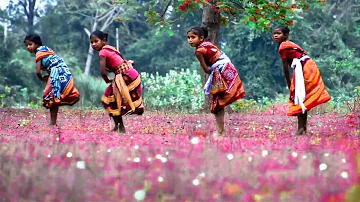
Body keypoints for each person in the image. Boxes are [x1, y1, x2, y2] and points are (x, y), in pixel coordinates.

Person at [187, 26, 246, 137]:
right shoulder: (208, 44)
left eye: (193, 37)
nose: (190, 40)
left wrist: (214, 74)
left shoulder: (199, 51)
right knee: (219, 104)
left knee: (217, 104)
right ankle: (220, 131)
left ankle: (220, 132)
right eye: (188, 37)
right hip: (229, 68)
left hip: (221, 71)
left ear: (201, 38)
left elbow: (206, 69)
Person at [272, 25, 331, 135]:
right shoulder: (287, 44)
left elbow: (285, 68)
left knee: (300, 97)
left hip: (305, 68)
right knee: (301, 98)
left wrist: (289, 83)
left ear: (285, 35)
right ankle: (302, 129)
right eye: (274, 33)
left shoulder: (283, 46)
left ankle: (301, 130)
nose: (275, 35)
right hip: (307, 66)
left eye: (278, 33)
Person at [90, 30, 144, 133]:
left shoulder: (102, 52)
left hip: (126, 75)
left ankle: (120, 126)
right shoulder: (110, 49)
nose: (93, 44)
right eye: (91, 42)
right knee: (113, 99)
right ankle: (119, 126)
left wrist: (107, 80)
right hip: (131, 73)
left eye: (96, 41)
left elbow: (102, 71)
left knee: (108, 99)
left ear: (104, 41)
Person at [24, 34, 80, 125]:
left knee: (51, 96)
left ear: (37, 44)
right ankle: (53, 122)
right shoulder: (47, 49)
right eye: (27, 45)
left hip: (57, 72)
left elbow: (38, 72)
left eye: (30, 44)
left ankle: (52, 122)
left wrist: (42, 78)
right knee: (54, 96)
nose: (28, 47)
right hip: (63, 70)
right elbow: (51, 64)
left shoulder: (39, 52)